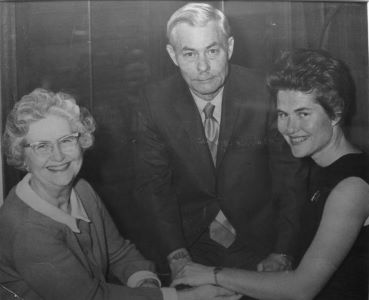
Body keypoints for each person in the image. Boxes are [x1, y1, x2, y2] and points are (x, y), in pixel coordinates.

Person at [0, 88, 240, 300]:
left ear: (81, 140)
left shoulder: (82, 190)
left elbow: (118, 252)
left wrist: (145, 282)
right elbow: (91, 297)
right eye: (42, 146)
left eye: (66, 140)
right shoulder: (26, 229)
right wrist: (186, 297)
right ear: (22, 155)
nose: (59, 156)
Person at [172, 49, 369, 300]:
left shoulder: (350, 188)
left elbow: (301, 290)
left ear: (336, 113)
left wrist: (212, 274)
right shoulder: (318, 171)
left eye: (303, 114)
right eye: (282, 114)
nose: (289, 128)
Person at [134, 2, 307, 283]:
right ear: (172, 55)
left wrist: (283, 251)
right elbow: (153, 186)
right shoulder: (154, 102)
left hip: (261, 242)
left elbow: (291, 177)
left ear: (230, 47)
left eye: (212, 51)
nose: (203, 67)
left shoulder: (265, 91)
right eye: (189, 53)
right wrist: (177, 255)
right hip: (188, 241)